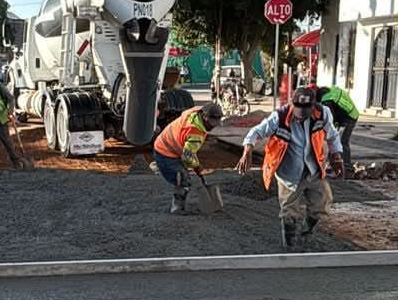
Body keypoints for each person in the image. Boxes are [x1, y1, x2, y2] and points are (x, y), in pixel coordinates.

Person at [237, 86, 343, 250]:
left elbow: (333, 135)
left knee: (322, 202)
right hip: (289, 172)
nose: (300, 115)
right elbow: (256, 131)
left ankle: (307, 234)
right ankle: (290, 245)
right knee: (289, 211)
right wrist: (247, 150)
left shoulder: (323, 113)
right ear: (292, 104)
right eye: (297, 109)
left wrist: (336, 156)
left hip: (313, 169)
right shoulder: (279, 117)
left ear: (313, 106)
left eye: (305, 111)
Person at [153, 100, 223, 213]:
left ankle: (162, 166)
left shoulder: (196, 111)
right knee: (183, 178)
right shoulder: (195, 133)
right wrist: (198, 166)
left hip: (169, 144)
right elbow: (187, 157)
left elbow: (189, 152)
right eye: (211, 123)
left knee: (184, 172)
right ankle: (177, 208)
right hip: (165, 152)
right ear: (204, 116)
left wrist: (195, 165)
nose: (212, 126)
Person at [319, 84, 359, 172]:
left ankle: (347, 166)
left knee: (342, 141)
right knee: (333, 139)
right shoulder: (331, 92)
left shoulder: (326, 101)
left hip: (349, 117)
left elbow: (330, 118)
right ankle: (332, 164)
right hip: (345, 115)